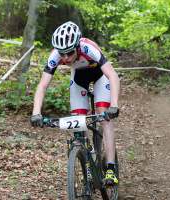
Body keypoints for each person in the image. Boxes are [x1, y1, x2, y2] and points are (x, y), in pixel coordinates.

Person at [30, 21, 120, 185]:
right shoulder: (56, 55)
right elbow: (42, 85)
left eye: (69, 53)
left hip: (100, 77)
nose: (65, 58)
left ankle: (111, 169)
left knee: (104, 116)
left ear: (77, 46)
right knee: (79, 122)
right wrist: (36, 112)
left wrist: (114, 105)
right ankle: (87, 159)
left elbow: (113, 76)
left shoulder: (88, 48)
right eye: (62, 53)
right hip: (79, 80)